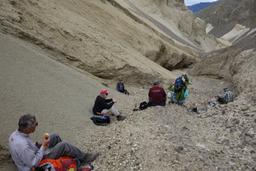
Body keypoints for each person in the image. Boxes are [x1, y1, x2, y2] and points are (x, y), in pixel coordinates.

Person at [9, 114, 99, 171]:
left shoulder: (16, 134)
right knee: (64, 145)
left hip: (33, 154)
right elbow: (33, 163)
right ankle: (85, 158)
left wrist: (38, 145)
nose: (36, 127)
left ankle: (64, 157)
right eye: (35, 125)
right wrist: (43, 146)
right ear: (26, 128)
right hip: (36, 165)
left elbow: (28, 149)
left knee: (55, 136)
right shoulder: (22, 145)